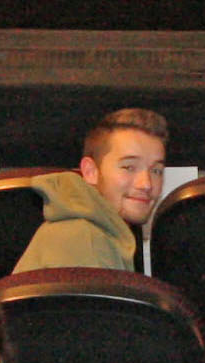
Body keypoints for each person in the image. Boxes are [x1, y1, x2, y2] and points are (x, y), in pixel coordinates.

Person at [12, 107, 168, 275]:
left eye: (156, 171)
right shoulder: (83, 240)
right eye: (129, 167)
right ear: (90, 171)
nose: (146, 184)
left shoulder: (97, 234)